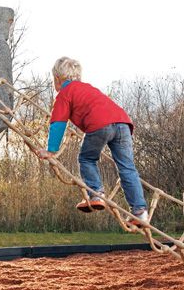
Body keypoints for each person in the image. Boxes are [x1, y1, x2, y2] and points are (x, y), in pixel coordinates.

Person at [35, 56, 148, 223]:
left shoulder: (65, 93)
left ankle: (96, 194)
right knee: (127, 168)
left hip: (100, 124)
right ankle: (140, 211)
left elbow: (58, 123)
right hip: (123, 123)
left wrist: (51, 149)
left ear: (57, 80)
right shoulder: (88, 88)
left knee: (86, 158)